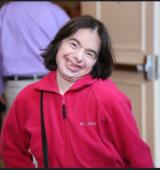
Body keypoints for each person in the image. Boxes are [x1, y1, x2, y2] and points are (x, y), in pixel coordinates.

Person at [0, 15, 154, 168]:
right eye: (74, 44)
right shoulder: (29, 97)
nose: (78, 57)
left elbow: (138, 155)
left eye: (90, 53)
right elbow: (12, 148)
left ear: (96, 62)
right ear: (60, 42)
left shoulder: (110, 98)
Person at [0, 1, 70, 113]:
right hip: (52, 84)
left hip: (15, 87)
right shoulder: (55, 11)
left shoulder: (5, 12)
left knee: (17, 130)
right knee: (51, 129)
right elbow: (71, 50)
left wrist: (0, 88)